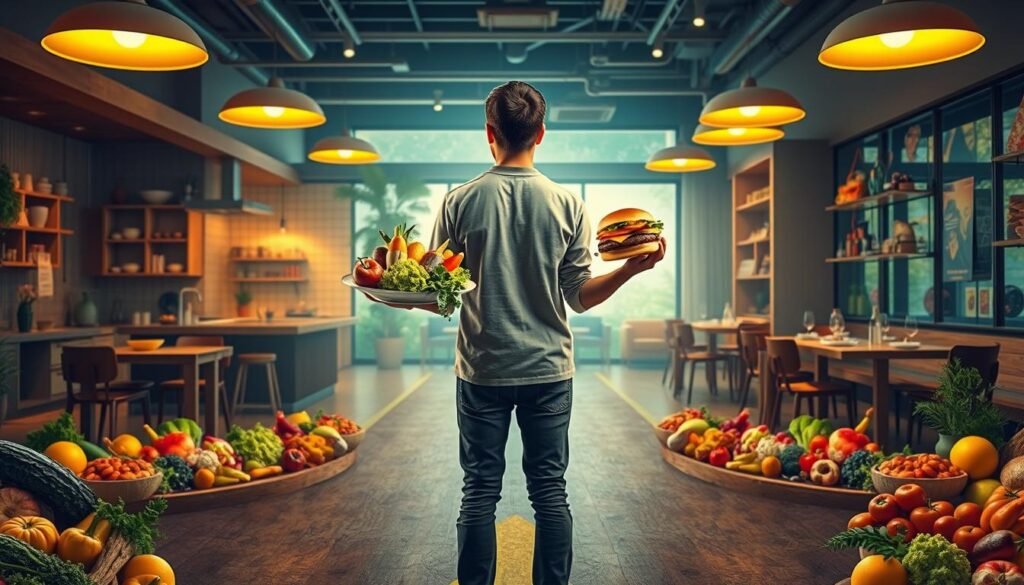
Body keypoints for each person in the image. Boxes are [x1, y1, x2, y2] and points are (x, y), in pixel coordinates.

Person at [373, 81, 666, 585]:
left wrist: (387, 292)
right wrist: (628, 270)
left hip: (482, 370)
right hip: (549, 371)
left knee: (478, 492)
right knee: (550, 492)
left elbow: (441, 294)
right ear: (541, 133)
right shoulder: (568, 204)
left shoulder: (460, 200)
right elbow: (579, 297)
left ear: (490, 133)